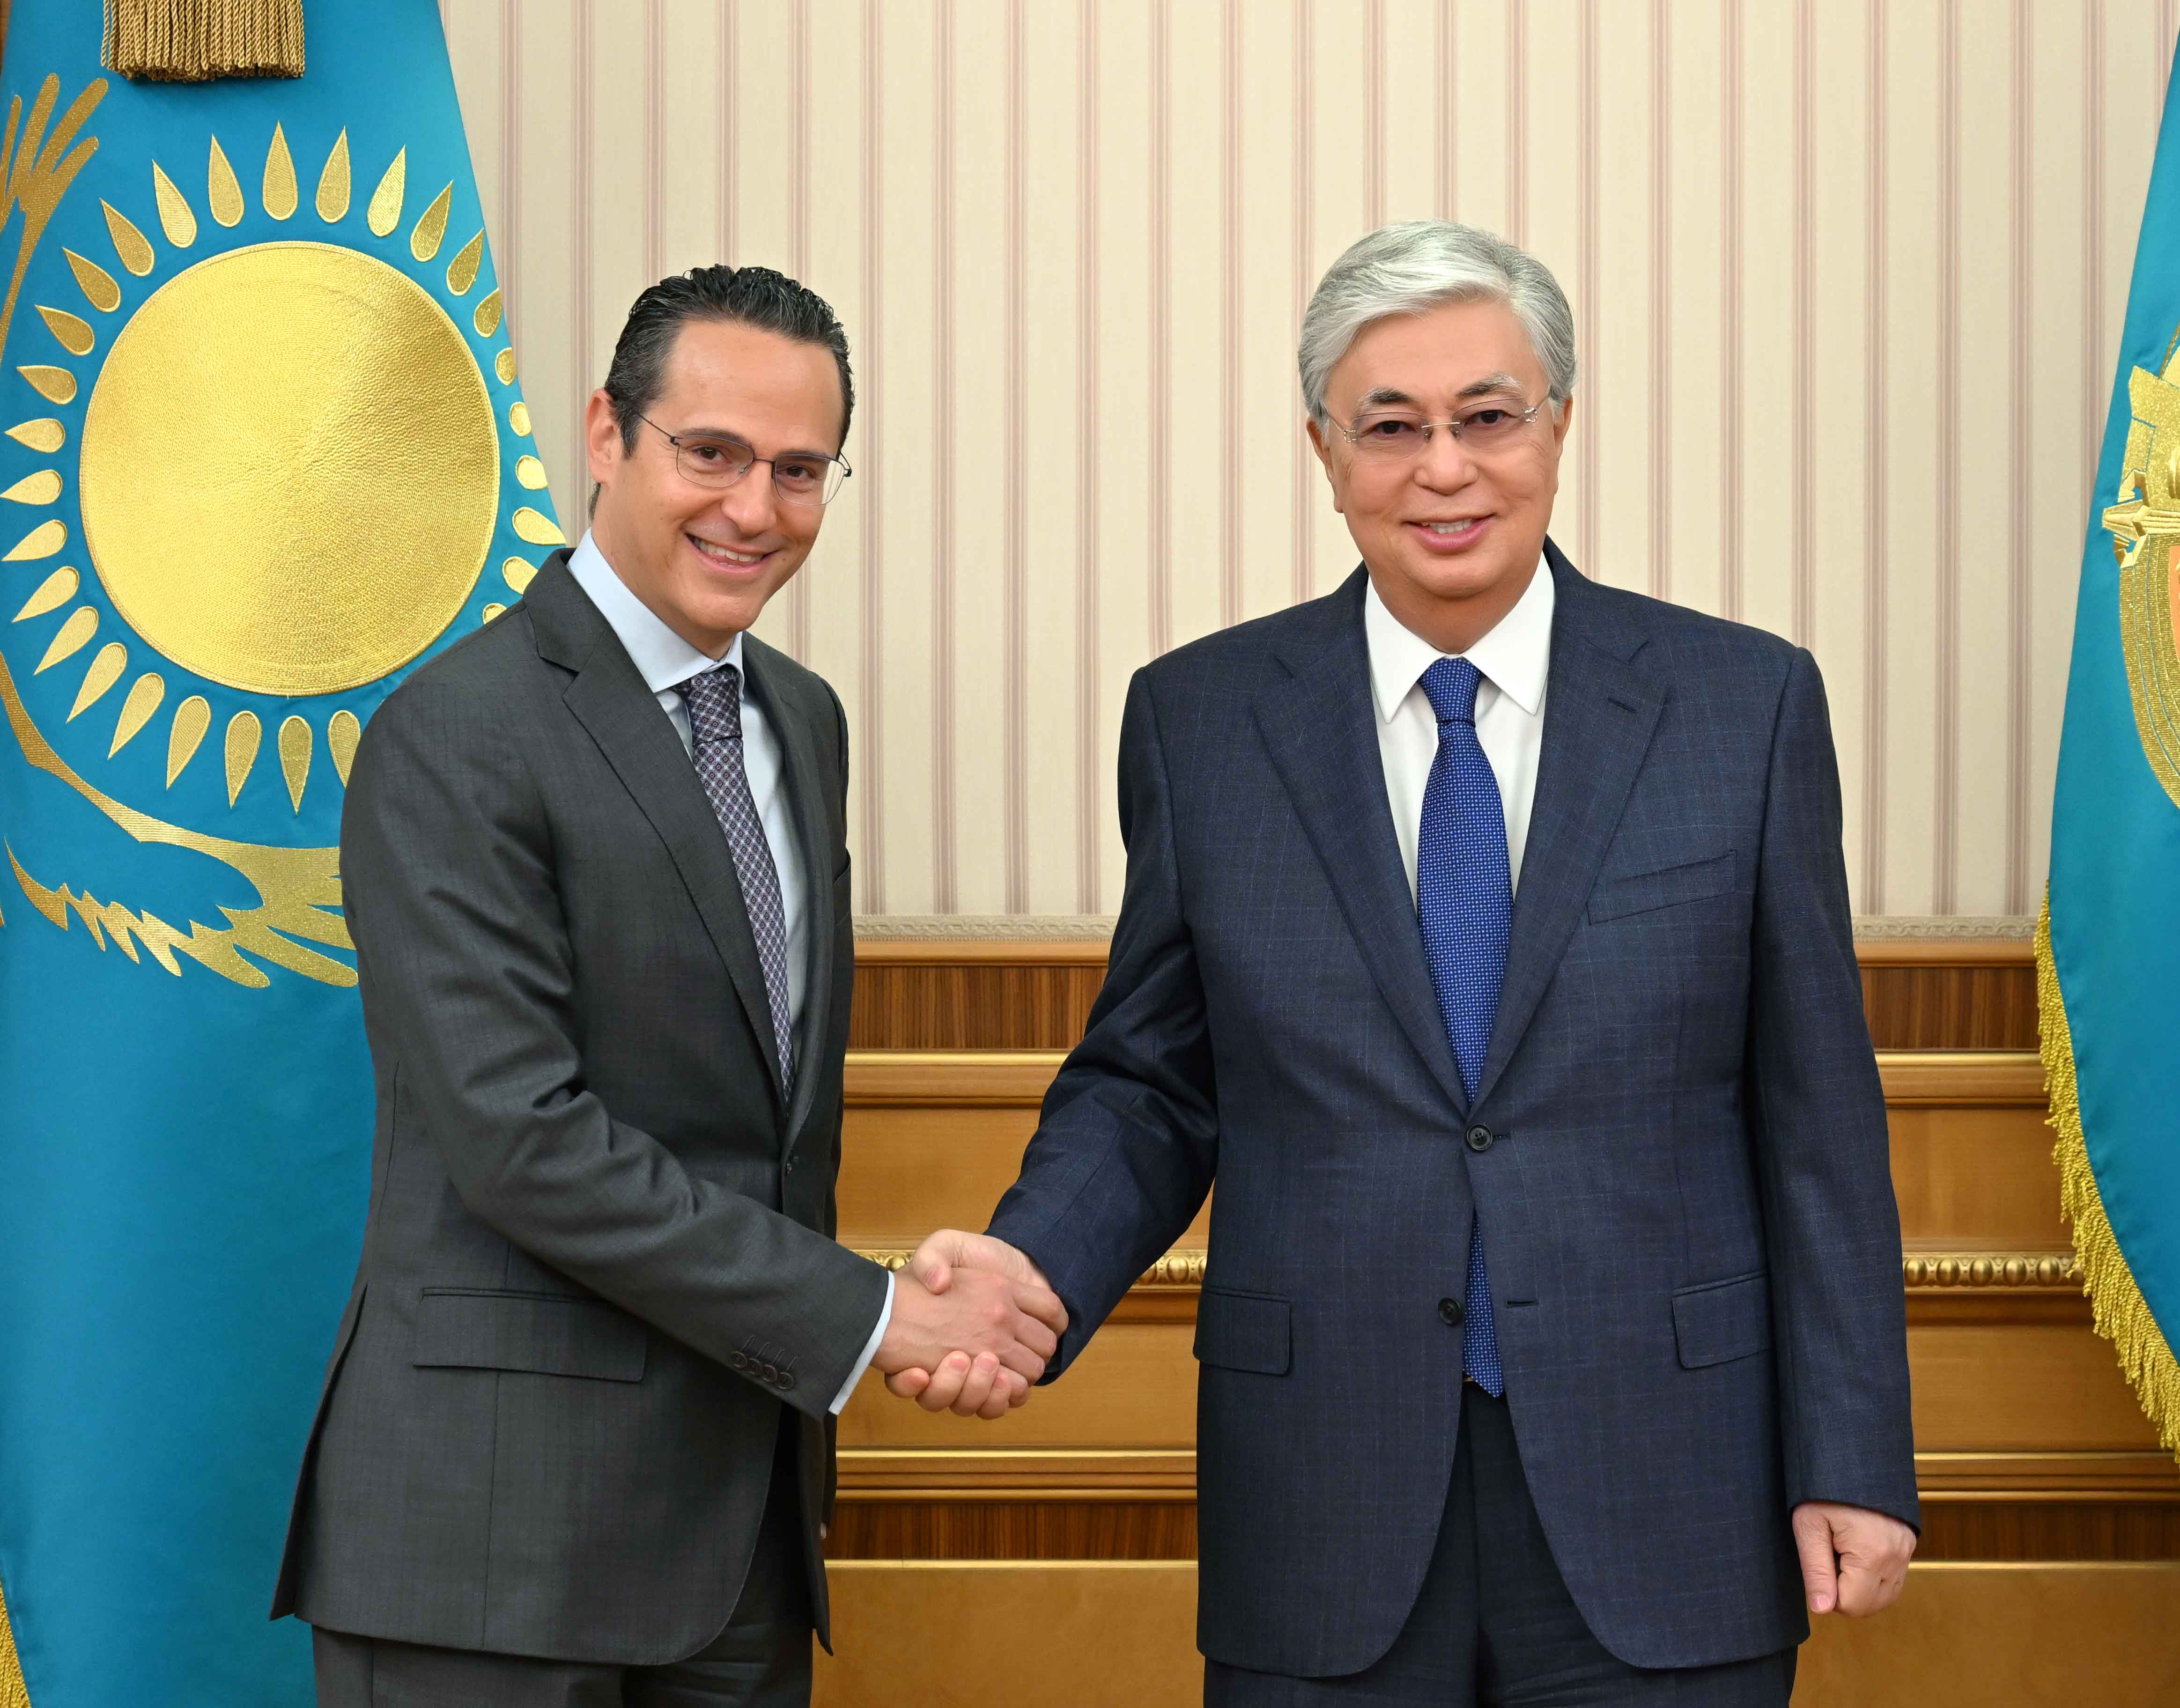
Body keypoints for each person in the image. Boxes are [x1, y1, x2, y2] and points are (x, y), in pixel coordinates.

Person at [904, 221, 1918, 1705]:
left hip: (1670, 1480)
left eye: (1486, 417)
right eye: (1390, 427)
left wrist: (1853, 1453)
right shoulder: (1202, 720)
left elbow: (1814, 1115)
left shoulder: (1739, 706)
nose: (1443, 469)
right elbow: (1152, 1083)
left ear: (1557, 424)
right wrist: (1029, 1271)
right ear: (1323, 449)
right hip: (1324, 1488)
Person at [270, 265, 1062, 1706]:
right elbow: (520, 1137)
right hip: (495, 1551)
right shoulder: (457, 730)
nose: (753, 508)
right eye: (710, 452)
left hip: (740, 1537)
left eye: (799, 470)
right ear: (606, 433)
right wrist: (873, 1318)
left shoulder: (801, 722)